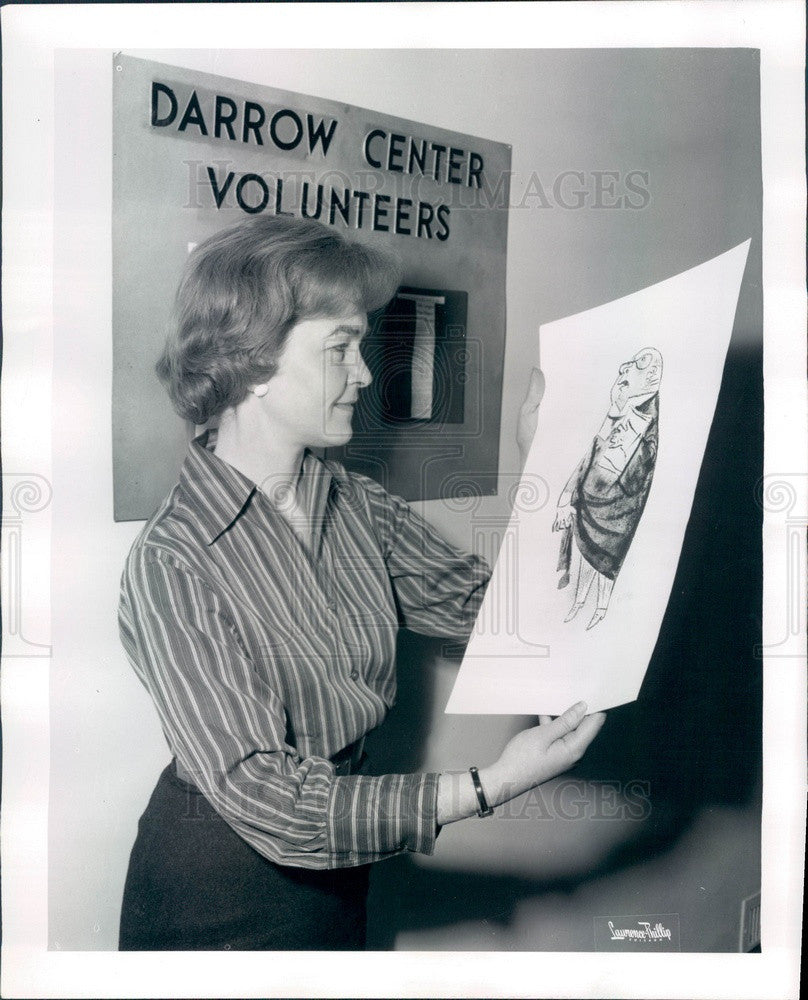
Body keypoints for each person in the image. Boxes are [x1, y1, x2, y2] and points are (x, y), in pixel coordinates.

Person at [118, 215, 605, 951]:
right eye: (340, 348)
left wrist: (551, 466)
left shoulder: (357, 505)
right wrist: (490, 785)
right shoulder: (173, 560)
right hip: (219, 890)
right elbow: (270, 801)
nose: (367, 373)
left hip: (344, 865)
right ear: (250, 361)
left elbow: (498, 614)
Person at [553, 347, 662, 630]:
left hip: (619, 506)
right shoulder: (620, 412)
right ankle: (579, 601)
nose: (619, 384)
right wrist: (567, 495)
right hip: (592, 497)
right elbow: (593, 450)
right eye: (620, 380)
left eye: (626, 380)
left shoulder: (645, 418)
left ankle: (601, 607)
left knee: (608, 557)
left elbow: (638, 465)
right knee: (587, 553)